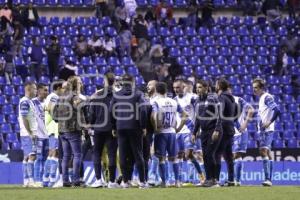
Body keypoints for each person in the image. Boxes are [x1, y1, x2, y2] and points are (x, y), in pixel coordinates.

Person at [109, 74, 148, 189]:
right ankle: (142, 182)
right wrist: (143, 126)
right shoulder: (138, 94)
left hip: (120, 127)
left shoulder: (116, 95)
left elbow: (111, 111)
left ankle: (125, 182)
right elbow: (143, 111)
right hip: (135, 127)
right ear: (133, 81)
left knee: (122, 154)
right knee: (138, 154)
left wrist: (113, 127)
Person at [151, 82, 187, 188]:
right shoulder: (174, 101)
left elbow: (154, 116)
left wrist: (155, 128)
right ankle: (177, 182)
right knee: (174, 158)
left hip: (161, 132)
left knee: (161, 158)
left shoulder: (156, 102)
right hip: (172, 132)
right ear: (166, 90)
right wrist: (179, 128)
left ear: (156, 91)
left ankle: (165, 182)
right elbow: (185, 114)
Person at [53, 76, 86, 187]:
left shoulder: (60, 97)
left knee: (66, 156)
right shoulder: (74, 97)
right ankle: (76, 180)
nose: (81, 84)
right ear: (76, 85)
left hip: (62, 131)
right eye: (79, 83)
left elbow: (55, 116)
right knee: (77, 155)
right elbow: (80, 107)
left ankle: (65, 181)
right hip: (72, 130)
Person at [89, 73, 119, 188]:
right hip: (112, 129)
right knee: (112, 155)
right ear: (114, 81)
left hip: (98, 128)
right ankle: (112, 181)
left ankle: (98, 180)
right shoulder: (118, 96)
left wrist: (92, 124)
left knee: (97, 153)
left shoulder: (96, 95)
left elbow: (91, 114)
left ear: (104, 81)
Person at [173, 79, 205, 185]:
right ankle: (180, 180)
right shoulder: (174, 100)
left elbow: (200, 109)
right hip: (179, 131)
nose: (176, 90)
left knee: (188, 154)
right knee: (179, 155)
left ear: (183, 87)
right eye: (174, 88)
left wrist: (198, 128)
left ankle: (202, 176)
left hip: (190, 130)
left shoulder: (191, 97)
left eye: (178, 87)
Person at [192, 79, 222, 187]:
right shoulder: (197, 101)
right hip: (204, 132)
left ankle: (214, 180)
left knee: (210, 154)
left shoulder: (213, 98)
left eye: (199, 87)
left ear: (206, 87)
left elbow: (220, 115)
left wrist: (217, 130)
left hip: (213, 130)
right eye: (196, 87)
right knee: (205, 155)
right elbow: (197, 118)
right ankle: (208, 179)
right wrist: (194, 132)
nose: (197, 89)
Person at [252, 78, 280, 187]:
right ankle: (269, 179)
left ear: (261, 88)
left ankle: (268, 179)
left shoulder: (267, 97)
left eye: (256, 88)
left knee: (263, 151)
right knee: (267, 152)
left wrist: (269, 122)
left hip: (267, 130)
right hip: (263, 130)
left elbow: (277, 110)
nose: (254, 90)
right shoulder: (261, 98)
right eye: (253, 88)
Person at [228, 86, 254, 186]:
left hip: (239, 132)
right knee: (233, 156)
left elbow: (251, 110)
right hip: (230, 133)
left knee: (236, 155)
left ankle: (236, 180)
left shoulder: (239, 99)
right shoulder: (221, 101)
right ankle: (235, 180)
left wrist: (245, 123)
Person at [214, 78, 237, 186]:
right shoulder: (232, 98)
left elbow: (220, 112)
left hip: (223, 128)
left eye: (216, 84)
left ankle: (216, 180)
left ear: (219, 86)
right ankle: (231, 180)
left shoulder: (221, 97)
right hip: (230, 128)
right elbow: (237, 111)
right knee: (228, 156)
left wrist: (217, 128)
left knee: (217, 153)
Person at [43, 81, 65, 188]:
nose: (64, 91)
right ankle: (51, 180)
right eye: (63, 88)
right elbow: (51, 108)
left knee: (51, 153)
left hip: (50, 127)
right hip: (54, 126)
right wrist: (58, 118)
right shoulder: (54, 97)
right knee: (55, 153)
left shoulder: (51, 96)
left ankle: (46, 179)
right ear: (59, 88)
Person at [19, 81, 38, 187]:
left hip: (28, 133)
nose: (36, 91)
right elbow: (24, 118)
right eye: (34, 89)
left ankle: (26, 181)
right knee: (32, 156)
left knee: (26, 156)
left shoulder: (29, 101)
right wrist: (30, 132)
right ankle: (31, 181)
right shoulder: (25, 101)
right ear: (28, 89)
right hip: (28, 133)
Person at [32, 83, 49, 187]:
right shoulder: (32, 103)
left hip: (47, 136)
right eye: (45, 90)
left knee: (46, 159)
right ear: (38, 91)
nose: (47, 92)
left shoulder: (48, 103)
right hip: (38, 136)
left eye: (47, 90)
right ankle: (37, 180)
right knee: (38, 158)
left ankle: (43, 179)